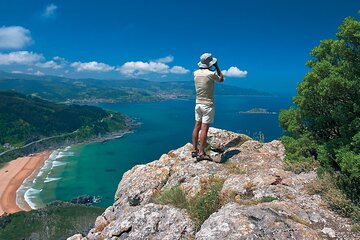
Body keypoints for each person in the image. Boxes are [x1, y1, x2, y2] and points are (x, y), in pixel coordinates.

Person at [192, 53, 224, 161]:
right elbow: (221, 79)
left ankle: (194, 149)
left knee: (197, 126)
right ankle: (201, 153)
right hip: (207, 104)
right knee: (204, 129)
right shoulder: (211, 74)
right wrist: (217, 66)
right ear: (210, 63)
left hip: (198, 104)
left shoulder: (195, 73)